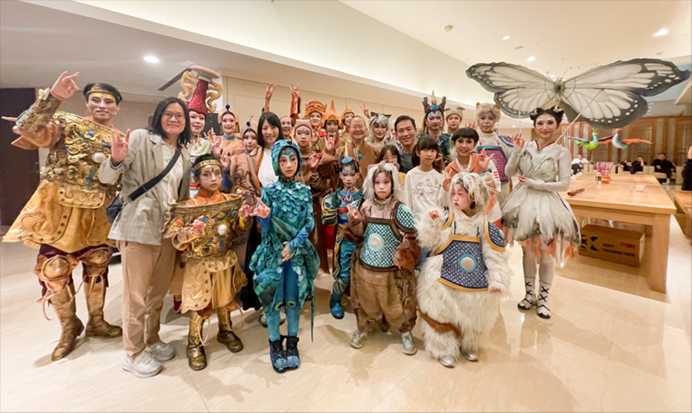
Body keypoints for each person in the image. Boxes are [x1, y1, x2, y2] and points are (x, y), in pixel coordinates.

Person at [3, 72, 123, 361]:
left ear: (117, 107)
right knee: (54, 269)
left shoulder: (119, 137)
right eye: (96, 99)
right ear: (87, 102)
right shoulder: (65, 123)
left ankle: (97, 320)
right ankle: (69, 326)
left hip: (98, 210)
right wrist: (54, 97)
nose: (102, 105)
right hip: (60, 208)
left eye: (108, 101)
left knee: (98, 264)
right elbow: (25, 127)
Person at [100, 96, 192, 378]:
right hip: (139, 227)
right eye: (168, 114)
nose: (174, 119)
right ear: (158, 116)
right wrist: (116, 159)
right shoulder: (141, 138)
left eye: (179, 115)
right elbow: (106, 177)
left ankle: (151, 338)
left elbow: (181, 197)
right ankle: (133, 352)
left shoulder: (184, 154)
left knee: (157, 292)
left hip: (167, 231)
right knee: (136, 295)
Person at [162, 154, 247, 370]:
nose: (213, 178)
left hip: (224, 258)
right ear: (197, 179)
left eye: (217, 173)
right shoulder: (189, 207)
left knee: (226, 299)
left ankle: (225, 330)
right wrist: (191, 233)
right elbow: (176, 240)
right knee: (199, 304)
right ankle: (194, 343)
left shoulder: (229, 201)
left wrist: (242, 218)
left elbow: (237, 230)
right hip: (199, 264)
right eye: (207, 174)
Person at [416, 172, 510, 367]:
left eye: (461, 194)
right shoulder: (447, 220)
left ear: (474, 197)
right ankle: (443, 348)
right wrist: (431, 222)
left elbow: (494, 255)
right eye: (454, 194)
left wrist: (497, 279)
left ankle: (470, 344)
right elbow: (428, 242)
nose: (455, 198)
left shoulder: (485, 227)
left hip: (475, 280)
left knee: (476, 314)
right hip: (445, 276)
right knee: (442, 312)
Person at [245, 140, 320, 373]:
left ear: (299, 161)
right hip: (273, 255)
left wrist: (295, 244)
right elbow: (266, 230)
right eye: (283, 160)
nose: (288, 164)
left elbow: (309, 222)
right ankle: (275, 344)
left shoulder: (304, 191)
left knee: (294, 300)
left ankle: (292, 343)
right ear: (277, 163)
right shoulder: (269, 191)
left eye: (293, 159)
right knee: (273, 302)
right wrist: (265, 218)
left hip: (296, 256)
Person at [503, 106, 580, 320]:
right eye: (540, 123)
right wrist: (516, 151)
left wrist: (537, 184)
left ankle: (543, 299)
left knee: (547, 253)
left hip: (547, 204)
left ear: (557, 125)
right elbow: (509, 172)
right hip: (522, 202)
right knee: (527, 251)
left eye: (550, 123)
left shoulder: (561, 152)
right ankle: (529, 295)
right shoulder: (525, 146)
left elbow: (564, 184)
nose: (545, 127)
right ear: (534, 125)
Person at [345, 162, 420, 355]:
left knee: (398, 305)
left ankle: (405, 332)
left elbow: (411, 237)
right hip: (366, 267)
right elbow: (357, 235)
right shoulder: (365, 205)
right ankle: (364, 328)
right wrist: (354, 221)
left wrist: (402, 253)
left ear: (393, 183)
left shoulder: (400, 210)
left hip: (391, 271)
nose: (381, 186)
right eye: (377, 182)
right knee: (366, 301)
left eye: (386, 182)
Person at [293, 119, 338, 275]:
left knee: (316, 241)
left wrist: (313, 171)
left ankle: (316, 272)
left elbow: (321, 185)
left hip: (314, 205)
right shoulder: (290, 156)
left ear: (312, 136)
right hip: (295, 207)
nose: (303, 136)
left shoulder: (316, 157)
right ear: (294, 135)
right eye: (299, 133)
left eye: (307, 133)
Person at [322, 157, 364, 319]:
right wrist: (332, 208)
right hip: (343, 240)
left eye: (352, 174)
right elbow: (329, 221)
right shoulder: (335, 196)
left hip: (360, 240)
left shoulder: (363, 196)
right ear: (340, 176)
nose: (348, 178)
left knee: (362, 274)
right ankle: (335, 300)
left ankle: (362, 302)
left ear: (358, 175)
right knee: (344, 275)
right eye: (345, 174)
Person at [443, 128, 501, 226]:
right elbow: (449, 201)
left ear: (474, 144)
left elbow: (493, 191)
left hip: (489, 215)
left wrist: (484, 171)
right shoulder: (449, 169)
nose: (464, 145)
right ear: (454, 144)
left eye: (469, 142)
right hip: (463, 219)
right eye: (460, 141)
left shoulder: (485, 161)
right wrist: (448, 189)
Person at [474, 102, 517, 204]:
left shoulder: (504, 142)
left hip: (502, 187)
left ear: (495, 120)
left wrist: (517, 150)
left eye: (490, 118)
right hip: (479, 187)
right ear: (478, 119)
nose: (486, 122)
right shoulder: (473, 141)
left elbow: (513, 165)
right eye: (483, 118)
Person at [404, 135, 446, 220]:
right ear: (417, 152)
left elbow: (442, 203)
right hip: (416, 222)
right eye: (425, 150)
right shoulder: (411, 175)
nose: (429, 154)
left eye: (432, 150)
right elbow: (407, 202)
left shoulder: (441, 175)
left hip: (436, 221)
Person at [334, 115, 379, 189]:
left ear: (366, 129)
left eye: (360, 126)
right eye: (354, 127)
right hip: (347, 194)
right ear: (349, 130)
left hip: (369, 194)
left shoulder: (374, 152)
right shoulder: (340, 151)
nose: (358, 129)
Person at [422, 92, 452, 162]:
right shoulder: (419, 139)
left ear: (442, 120)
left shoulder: (450, 138)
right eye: (431, 118)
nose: (435, 121)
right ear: (426, 121)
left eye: (438, 118)